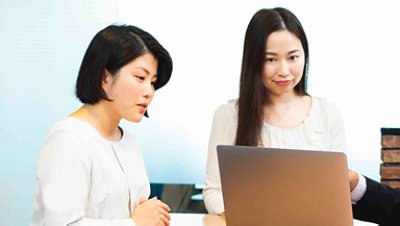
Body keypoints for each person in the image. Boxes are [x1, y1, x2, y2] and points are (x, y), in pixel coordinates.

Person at [203, 7, 347, 214]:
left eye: (293, 57)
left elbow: (338, 194)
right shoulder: (228, 115)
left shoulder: (327, 113)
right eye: (270, 59)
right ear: (253, 61)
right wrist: (250, 214)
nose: (284, 71)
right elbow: (213, 192)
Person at [30, 24, 173, 226]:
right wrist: (135, 223)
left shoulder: (129, 142)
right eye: (140, 78)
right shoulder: (68, 138)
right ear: (105, 78)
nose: (149, 91)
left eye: (152, 82)